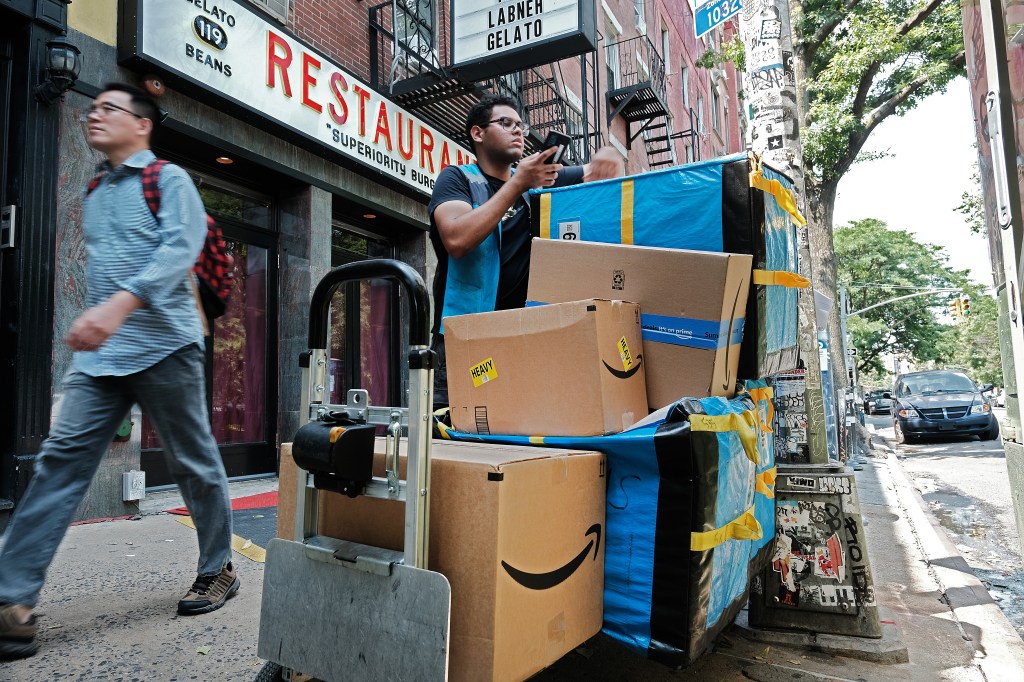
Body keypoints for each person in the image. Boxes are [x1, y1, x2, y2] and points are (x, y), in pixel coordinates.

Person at [0, 83, 237, 661]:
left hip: (166, 347)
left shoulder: (169, 179)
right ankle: (12, 601)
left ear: (142, 124)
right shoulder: (96, 189)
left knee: (193, 462)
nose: (94, 115)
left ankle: (218, 568)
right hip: (103, 359)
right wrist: (99, 321)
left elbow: (178, 250)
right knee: (59, 465)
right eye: (93, 107)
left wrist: (115, 309)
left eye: (109, 108)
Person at [428, 94, 624, 410]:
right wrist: (517, 184)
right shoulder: (457, 178)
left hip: (520, 341)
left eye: (520, 125)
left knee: (510, 436)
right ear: (478, 133)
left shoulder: (535, 182)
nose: (518, 131)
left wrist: (611, 156)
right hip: (463, 343)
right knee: (455, 435)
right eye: (505, 123)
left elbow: (596, 172)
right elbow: (457, 239)